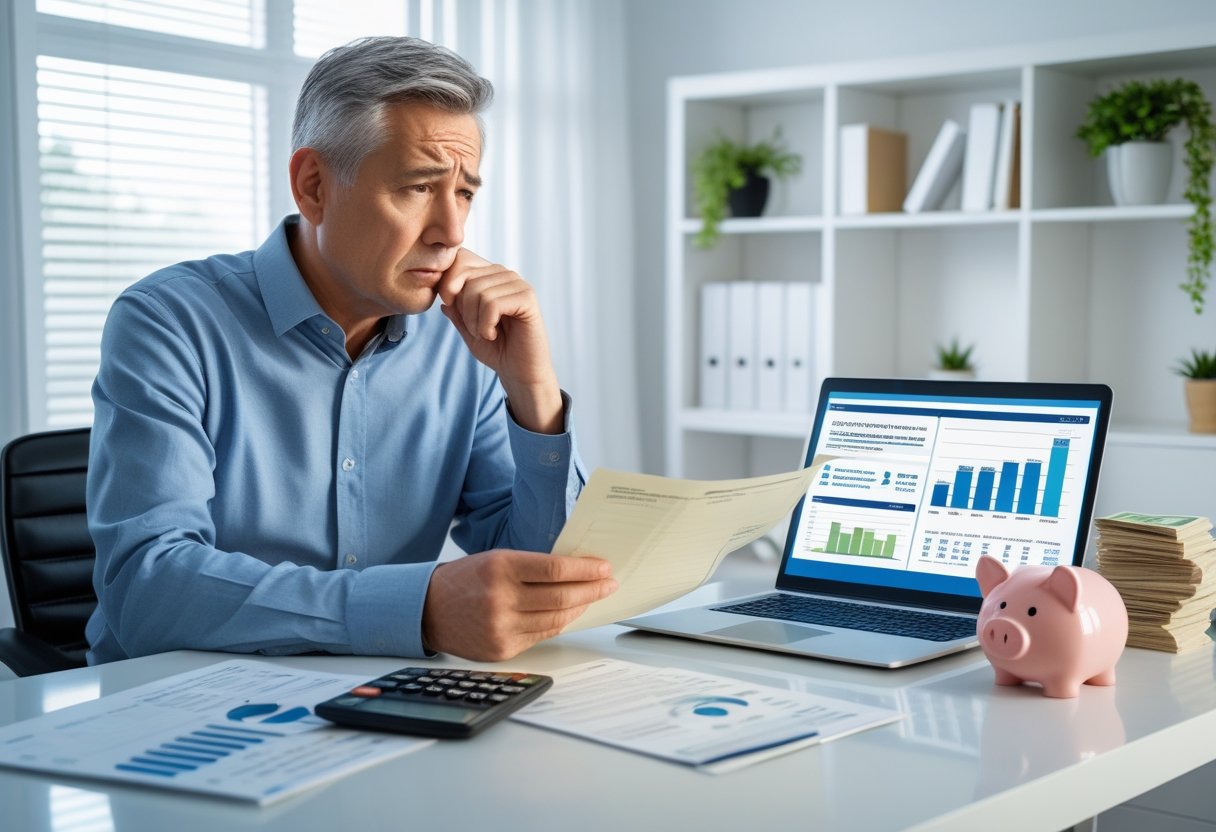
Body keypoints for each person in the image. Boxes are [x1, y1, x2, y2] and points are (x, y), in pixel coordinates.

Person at [84, 36, 617, 666]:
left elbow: (547, 576)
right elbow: (149, 589)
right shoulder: (169, 320)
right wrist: (415, 610)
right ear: (313, 185)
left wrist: (535, 395)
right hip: (176, 705)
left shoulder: (461, 339)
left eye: (465, 192)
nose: (452, 232)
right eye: (420, 187)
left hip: (382, 696)